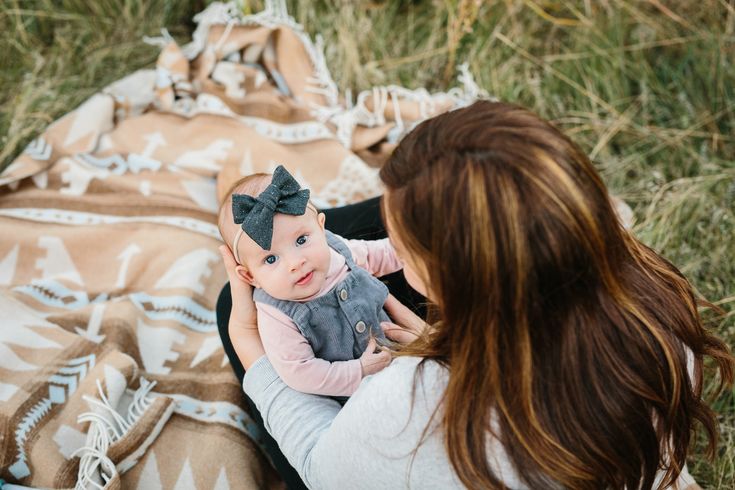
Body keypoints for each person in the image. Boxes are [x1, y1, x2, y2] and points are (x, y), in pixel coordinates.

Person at [216, 100, 733, 489]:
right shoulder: (652, 298)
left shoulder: (407, 403)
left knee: (227, 303)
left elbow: (320, 467)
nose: (393, 246)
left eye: (406, 248)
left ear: (461, 282)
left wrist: (247, 338)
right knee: (368, 225)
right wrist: (446, 345)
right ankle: (307, 226)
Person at [217, 165, 399, 398]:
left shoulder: (337, 252)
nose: (296, 263)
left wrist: (411, 251)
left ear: (322, 228)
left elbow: (380, 254)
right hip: (354, 397)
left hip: (403, 352)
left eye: (301, 240)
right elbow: (300, 372)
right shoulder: (276, 314)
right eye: (271, 258)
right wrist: (358, 371)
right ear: (250, 277)